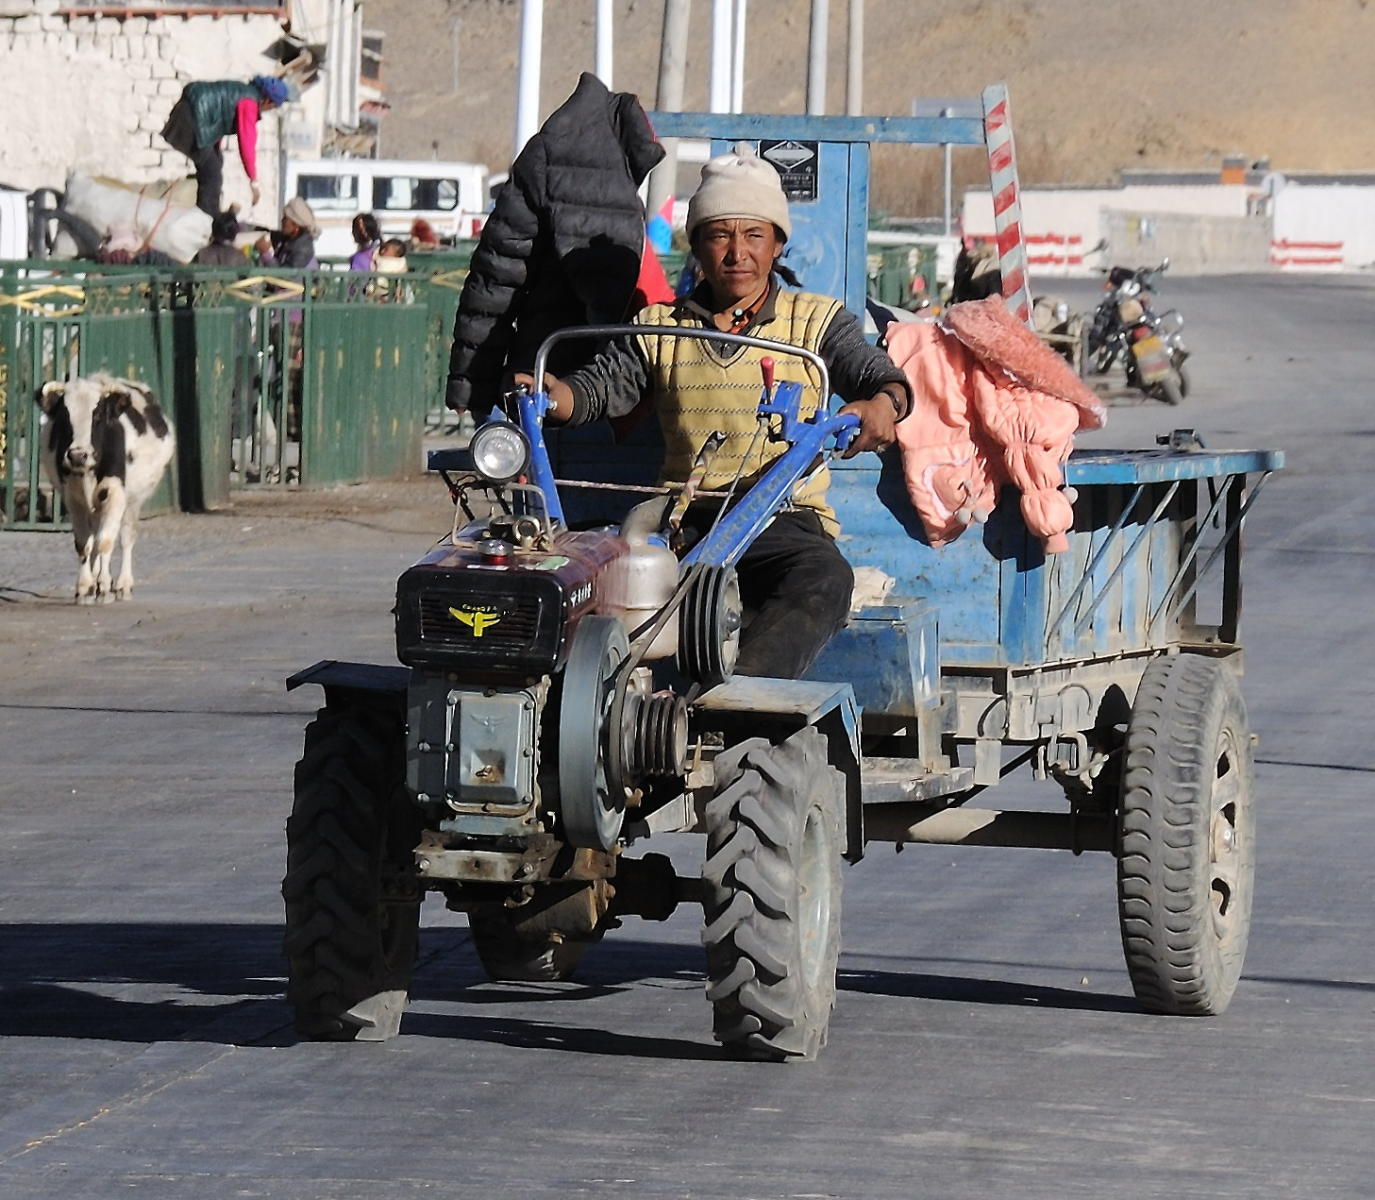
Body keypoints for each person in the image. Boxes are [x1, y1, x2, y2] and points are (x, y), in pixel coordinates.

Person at [519, 143, 913, 680]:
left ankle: (738, 705)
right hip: (683, 521)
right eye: (719, 235)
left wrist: (882, 403)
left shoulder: (817, 321)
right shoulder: (661, 326)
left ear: (778, 244)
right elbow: (599, 388)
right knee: (580, 573)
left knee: (824, 579)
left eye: (754, 235)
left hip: (782, 524)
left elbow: (877, 375)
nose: (737, 252)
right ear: (698, 247)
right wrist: (551, 395)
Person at [444, 72, 664, 418]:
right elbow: (608, 299)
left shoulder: (555, 151)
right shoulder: (592, 166)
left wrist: (470, 386)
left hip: (544, 363)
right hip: (567, 379)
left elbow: (492, 283)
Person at [161, 75, 294, 215]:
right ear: (268, 101)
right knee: (212, 171)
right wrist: (253, 182)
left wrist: (216, 147)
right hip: (191, 117)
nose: (271, 109)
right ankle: (205, 219)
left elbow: (219, 118)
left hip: (192, 111)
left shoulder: (244, 91)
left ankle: (207, 213)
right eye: (274, 106)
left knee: (215, 162)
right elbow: (246, 144)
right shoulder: (249, 104)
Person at [254, 197, 319, 268]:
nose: (282, 221)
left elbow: (285, 275)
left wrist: (266, 254)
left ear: (296, 225)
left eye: (285, 219)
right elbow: (269, 234)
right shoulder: (288, 239)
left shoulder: (303, 250)